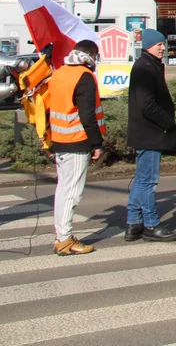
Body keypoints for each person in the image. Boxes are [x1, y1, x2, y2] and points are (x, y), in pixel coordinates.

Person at [48, 40, 106, 256]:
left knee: (63, 189)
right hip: (76, 140)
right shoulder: (84, 76)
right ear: (91, 55)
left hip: (60, 139)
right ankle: (64, 239)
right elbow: (87, 114)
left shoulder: (60, 73)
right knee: (72, 192)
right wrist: (97, 144)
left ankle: (61, 235)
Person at [125, 29, 176, 242]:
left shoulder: (149, 66)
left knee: (141, 180)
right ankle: (151, 224)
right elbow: (146, 104)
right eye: (159, 45)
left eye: (163, 44)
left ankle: (133, 222)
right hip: (149, 133)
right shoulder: (144, 68)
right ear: (148, 46)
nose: (163, 48)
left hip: (146, 132)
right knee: (148, 181)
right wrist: (167, 122)